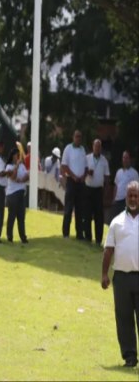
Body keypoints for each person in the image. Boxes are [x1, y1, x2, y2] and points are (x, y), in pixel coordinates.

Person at [101, 180, 139, 368]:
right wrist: (104, 274)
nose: (133, 198)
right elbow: (108, 250)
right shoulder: (116, 222)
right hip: (122, 278)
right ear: (125, 197)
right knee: (124, 319)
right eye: (130, 195)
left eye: (136, 195)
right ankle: (130, 357)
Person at [61, 130, 87, 239]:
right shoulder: (68, 148)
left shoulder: (83, 150)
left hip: (81, 183)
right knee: (68, 208)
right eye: (76, 136)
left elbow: (86, 167)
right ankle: (66, 233)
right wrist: (73, 176)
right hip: (72, 181)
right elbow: (64, 165)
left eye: (80, 137)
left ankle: (79, 233)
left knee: (80, 209)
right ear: (73, 137)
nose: (78, 138)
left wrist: (83, 176)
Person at [84, 139, 110, 245]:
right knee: (87, 214)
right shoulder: (87, 158)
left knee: (99, 216)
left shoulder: (104, 161)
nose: (97, 148)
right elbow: (82, 172)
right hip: (88, 189)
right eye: (96, 146)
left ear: (101, 148)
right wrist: (87, 172)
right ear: (93, 147)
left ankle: (98, 240)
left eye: (99, 146)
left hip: (99, 190)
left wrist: (106, 192)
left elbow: (107, 177)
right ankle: (88, 238)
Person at [5, 147, 29, 243]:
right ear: (13, 156)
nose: (18, 157)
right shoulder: (9, 167)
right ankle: (9, 236)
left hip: (21, 193)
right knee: (12, 216)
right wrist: (17, 166)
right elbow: (13, 177)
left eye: (19, 155)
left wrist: (22, 180)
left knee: (21, 216)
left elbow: (27, 175)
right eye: (17, 155)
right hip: (12, 194)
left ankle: (23, 236)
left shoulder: (22, 166)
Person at [112, 151, 139, 218]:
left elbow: (137, 188)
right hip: (117, 201)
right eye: (124, 158)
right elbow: (116, 186)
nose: (125, 160)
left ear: (130, 159)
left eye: (127, 158)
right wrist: (114, 199)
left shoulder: (134, 173)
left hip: (127, 201)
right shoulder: (119, 172)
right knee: (117, 220)